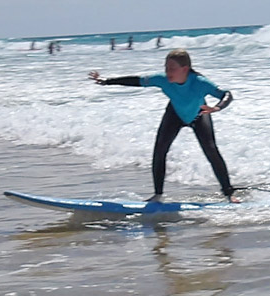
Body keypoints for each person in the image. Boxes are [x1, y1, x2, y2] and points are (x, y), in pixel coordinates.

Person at [89, 49, 238, 203]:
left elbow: (227, 94)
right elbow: (136, 80)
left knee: (211, 150)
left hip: (199, 114)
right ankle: (157, 195)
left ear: (185, 69)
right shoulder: (162, 79)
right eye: (166, 68)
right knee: (160, 150)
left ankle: (229, 193)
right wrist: (106, 81)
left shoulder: (200, 82)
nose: (167, 72)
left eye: (172, 69)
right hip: (174, 114)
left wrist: (217, 107)